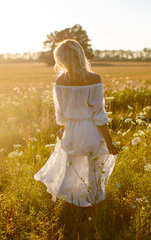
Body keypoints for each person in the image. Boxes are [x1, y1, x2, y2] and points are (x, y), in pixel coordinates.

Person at [34, 39, 119, 207]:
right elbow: (99, 114)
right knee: (95, 169)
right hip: (91, 130)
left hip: (72, 130)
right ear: (80, 54)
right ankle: (94, 201)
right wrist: (109, 142)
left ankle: (69, 202)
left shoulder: (61, 80)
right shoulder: (94, 78)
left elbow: (61, 112)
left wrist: (63, 129)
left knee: (70, 168)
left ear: (62, 60)